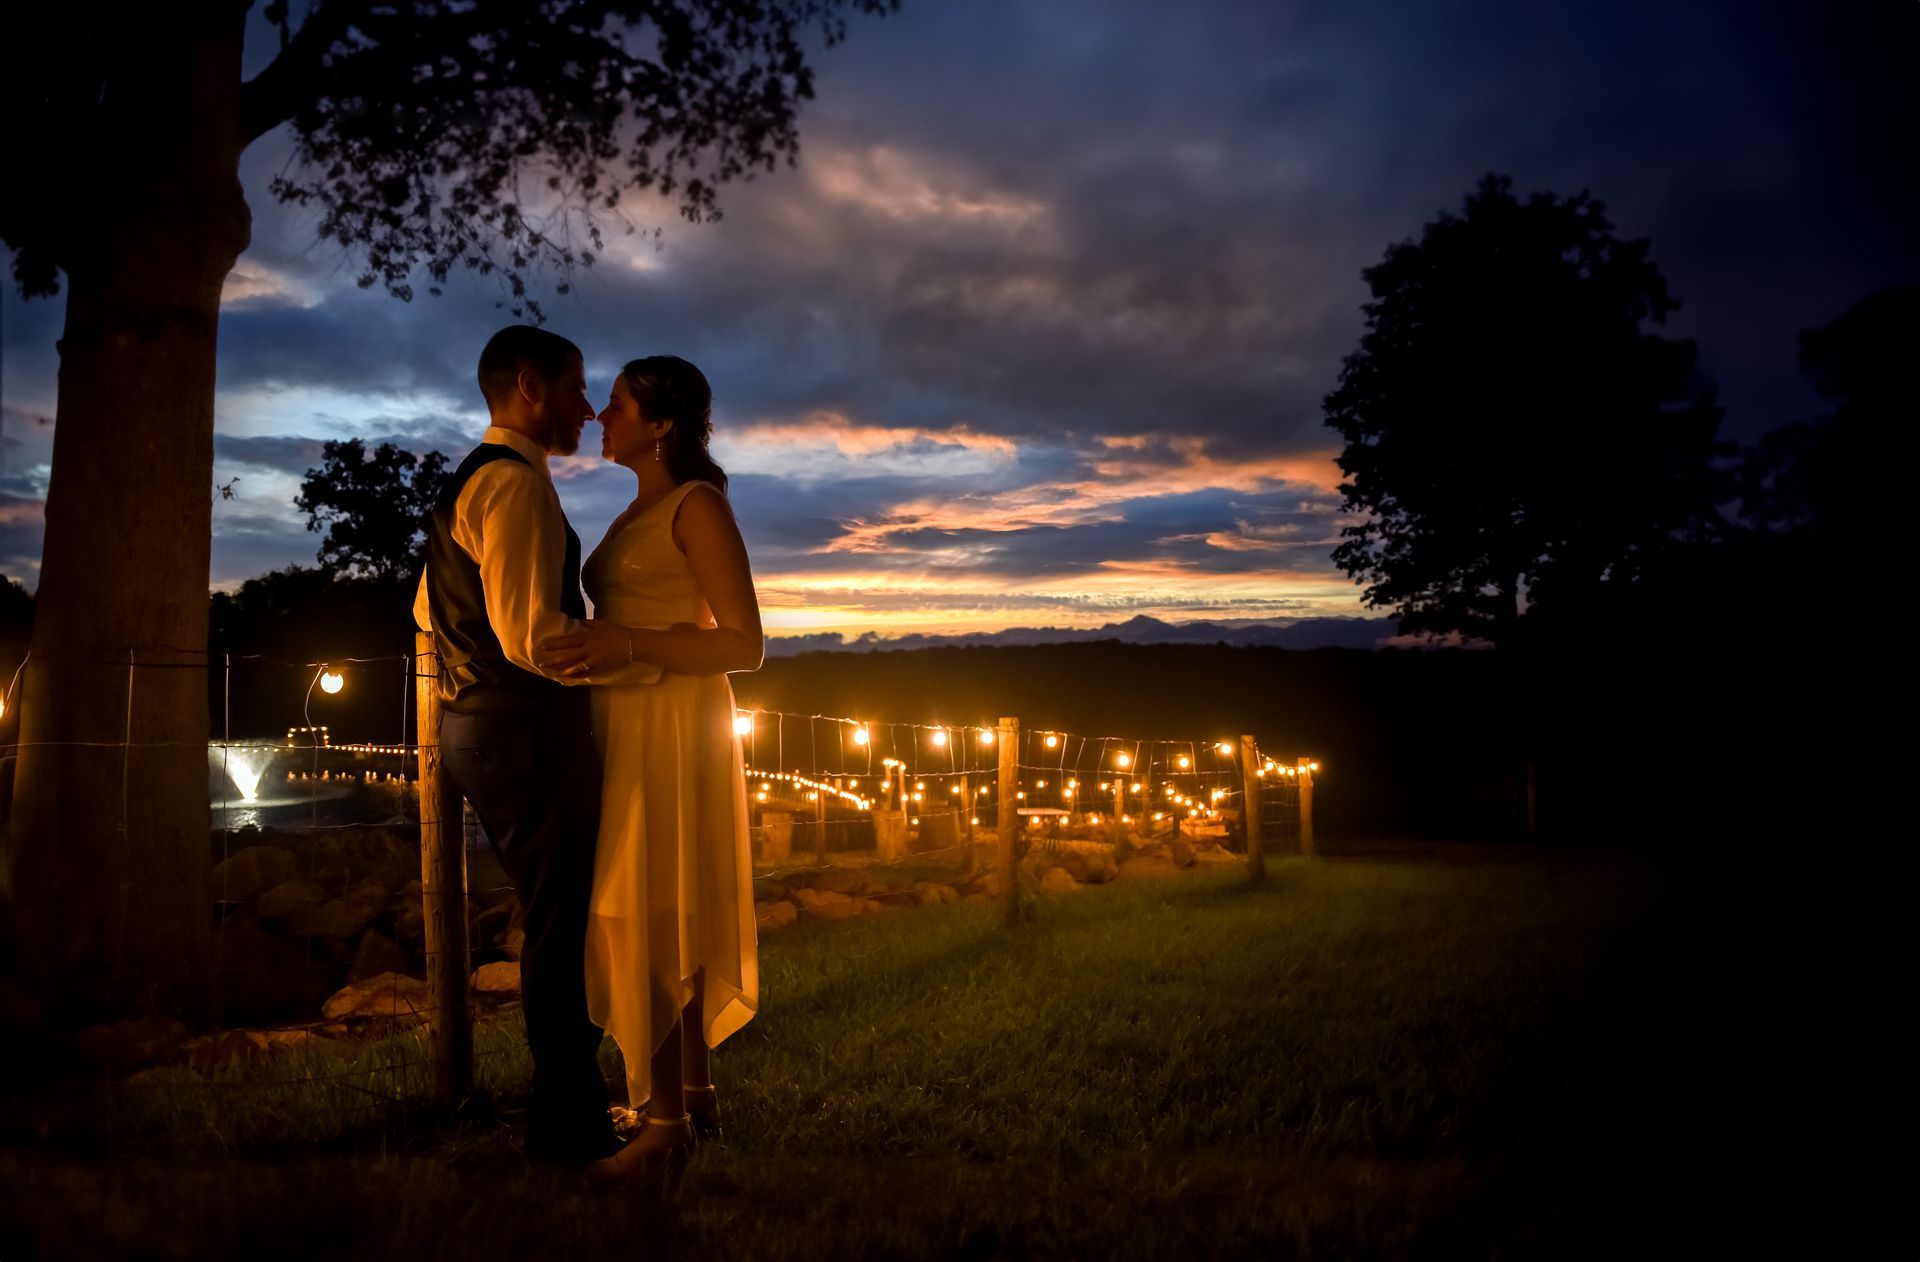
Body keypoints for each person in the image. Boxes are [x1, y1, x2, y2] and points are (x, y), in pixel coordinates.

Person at [415, 325, 658, 1164]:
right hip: (522, 728)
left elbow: (426, 615)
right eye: (578, 388)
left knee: (556, 921)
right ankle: (570, 1125)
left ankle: (569, 1110)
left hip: (476, 724)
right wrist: (638, 666)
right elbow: (531, 638)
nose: (589, 408)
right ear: (530, 386)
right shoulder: (514, 486)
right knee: (565, 928)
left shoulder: (469, 481)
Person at [537, 354, 763, 1181]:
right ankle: (694, 1089)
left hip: (670, 720)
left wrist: (624, 643)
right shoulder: (642, 509)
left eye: (621, 405)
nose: (602, 414)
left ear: (662, 424)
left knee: (650, 906)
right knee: (666, 898)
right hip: (628, 715)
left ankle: (664, 1123)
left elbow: (746, 643)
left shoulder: (698, 506)